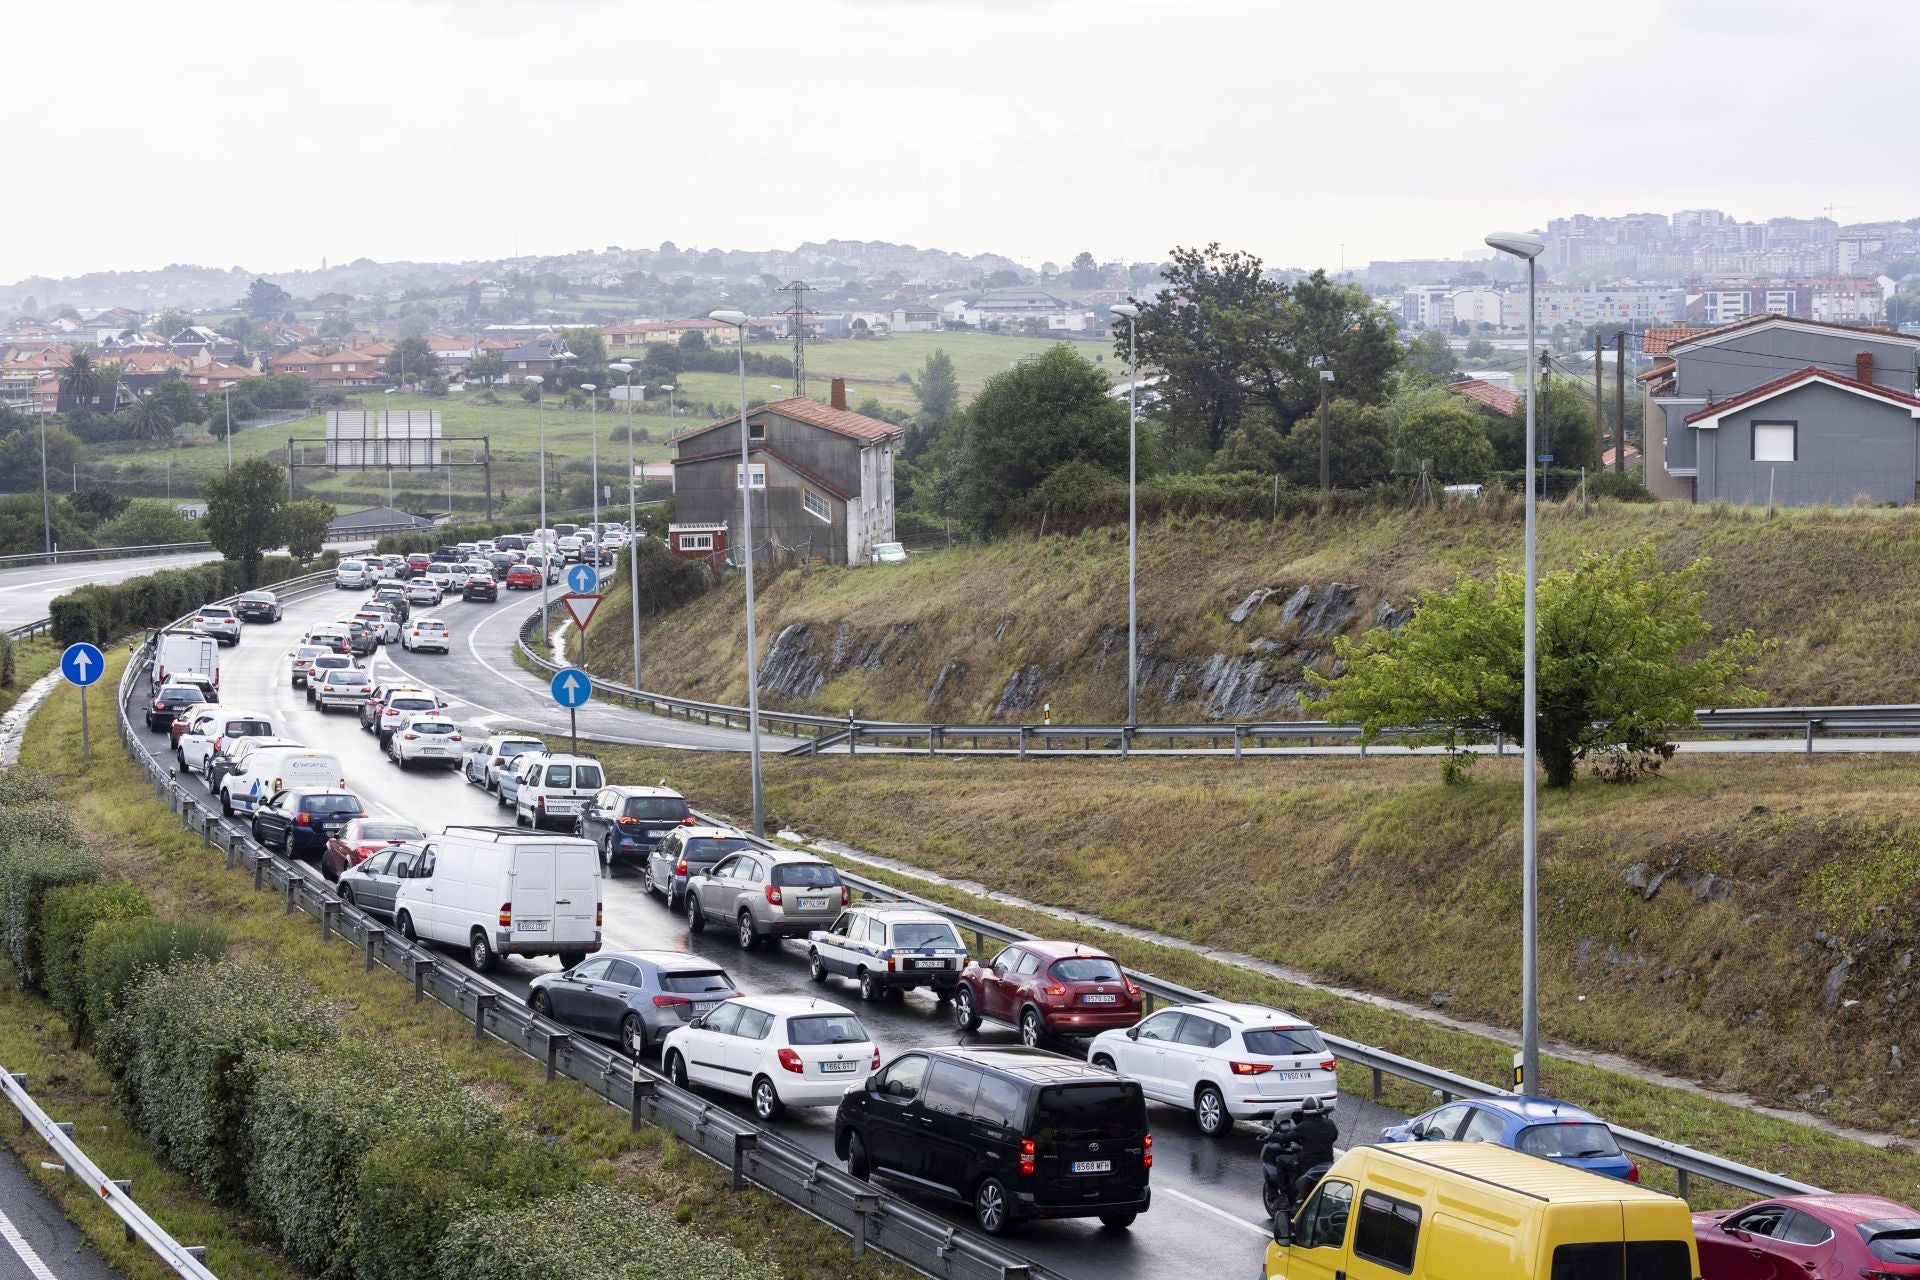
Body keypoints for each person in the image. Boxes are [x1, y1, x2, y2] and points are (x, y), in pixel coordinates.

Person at [1272, 1096, 1339, 1207]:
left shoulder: (1304, 1126)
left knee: (1280, 1160)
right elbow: (1334, 1136)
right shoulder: (1330, 1123)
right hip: (1327, 1162)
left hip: (1307, 1163)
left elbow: (1285, 1138)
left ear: (1305, 1112)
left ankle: (1284, 1196)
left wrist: (1271, 1137)